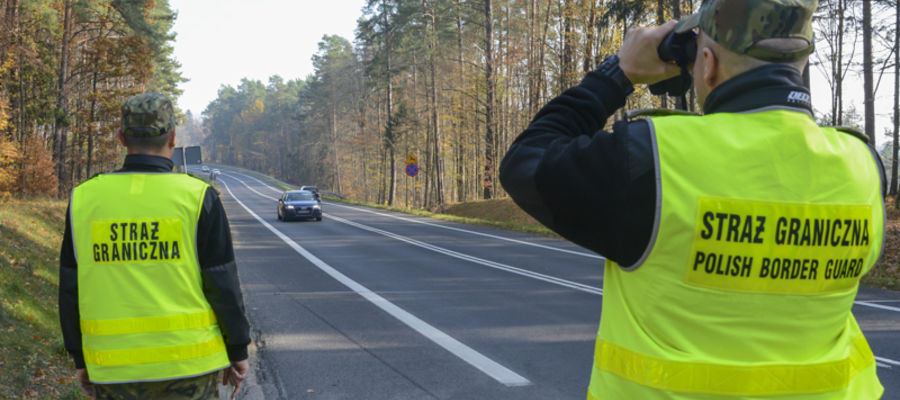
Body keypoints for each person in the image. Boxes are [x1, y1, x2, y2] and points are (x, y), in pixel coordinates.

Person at [499, 0, 885, 398]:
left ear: (708, 62)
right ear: (801, 60)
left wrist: (618, 73)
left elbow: (527, 162)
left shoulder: (651, 161)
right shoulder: (863, 167)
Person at [58, 93, 252, 399]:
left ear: (121, 138)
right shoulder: (198, 197)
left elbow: (70, 287)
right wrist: (238, 348)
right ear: (173, 138)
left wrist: (80, 358)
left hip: (113, 370)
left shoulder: (84, 199)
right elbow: (222, 282)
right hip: (192, 368)